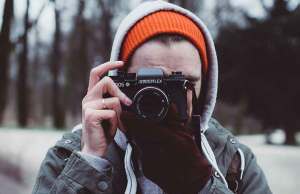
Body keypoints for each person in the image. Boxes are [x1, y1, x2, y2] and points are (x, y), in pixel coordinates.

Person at [32, 1, 272, 194]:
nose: (161, 97)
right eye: (148, 82)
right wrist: (91, 161)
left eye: (183, 84)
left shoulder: (232, 160)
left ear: (206, 87)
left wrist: (199, 184)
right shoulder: (69, 156)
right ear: (119, 80)